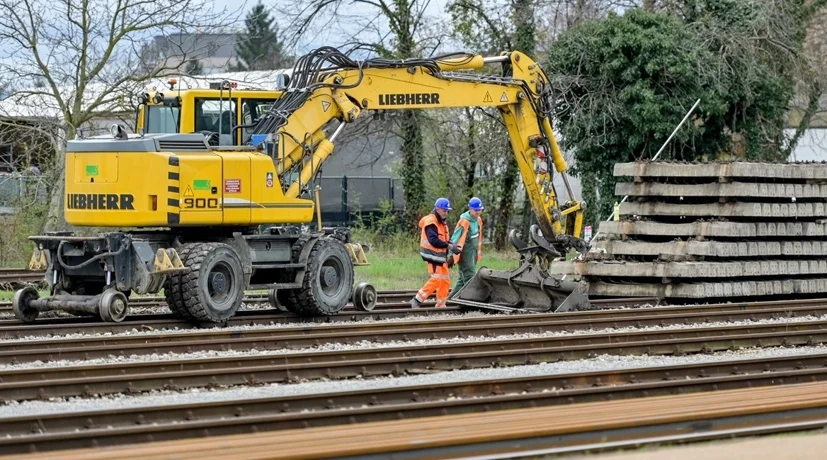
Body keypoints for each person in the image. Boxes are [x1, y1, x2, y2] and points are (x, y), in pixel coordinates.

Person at [411, 198, 461, 308]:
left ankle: (441, 305)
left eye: (447, 211)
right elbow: (433, 240)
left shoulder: (441, 222)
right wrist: (449, 246)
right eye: (444, 210)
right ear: (437, 209)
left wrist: (453, 247)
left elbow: (445, 239)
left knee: (445, 281)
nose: (446, 213)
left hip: (439, 256)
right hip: (432, 256)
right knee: (437, 279)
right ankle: (417, 299)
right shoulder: (431, 221)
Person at [448, 197, 484, 298]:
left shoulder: (478, 220)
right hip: (464, 254)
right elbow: (454, 238)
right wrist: (451, 254)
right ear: (470, 209)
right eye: (476, 210)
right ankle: (471, 299)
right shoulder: (464, 221)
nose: (478, 212)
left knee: (461, 280)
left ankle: (450, 300)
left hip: (473, 253)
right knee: (470, 278)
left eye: (479, 210)